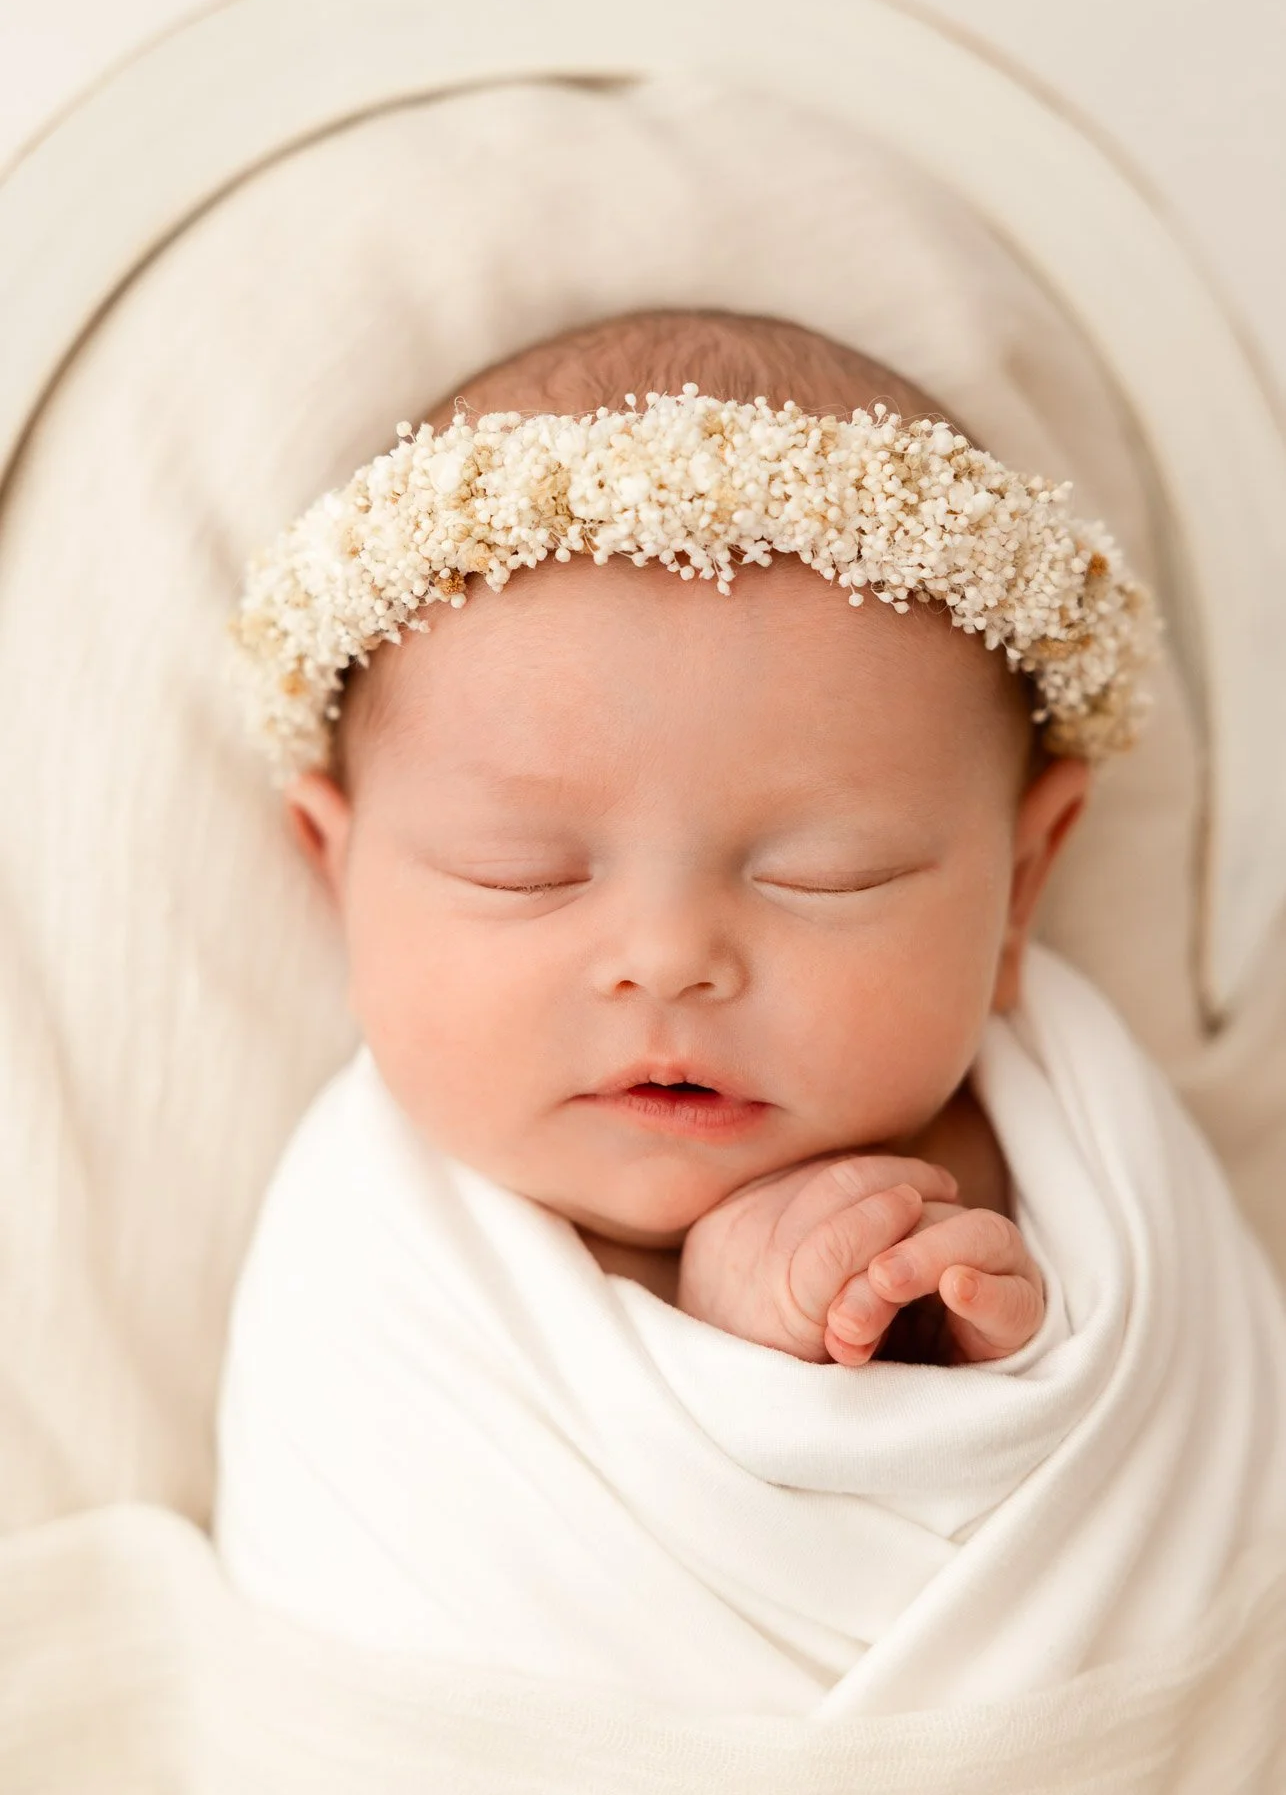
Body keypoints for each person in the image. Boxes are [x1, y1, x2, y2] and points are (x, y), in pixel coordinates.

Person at [214, 309, 1285, 1715]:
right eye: (521, 873)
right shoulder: (368, 1266)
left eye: (823, 876)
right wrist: (735, 1343)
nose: (667, 961)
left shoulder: (1075, 1176)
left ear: (1019, 886)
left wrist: (958, 1358)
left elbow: (1139, 1530)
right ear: (336, 869)